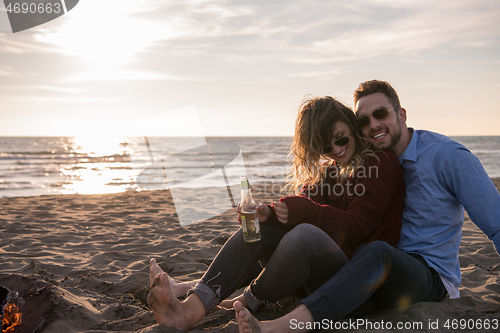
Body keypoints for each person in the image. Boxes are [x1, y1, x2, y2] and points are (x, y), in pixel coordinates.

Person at [234, 80, 500, 333]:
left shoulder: (447, 156)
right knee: (285, 235)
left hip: (426, 275)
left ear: (402, 114)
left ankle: (284, 326)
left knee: (377, 252)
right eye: (363, 120)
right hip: (368, 274)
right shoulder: (367, 164)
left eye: (381, 113)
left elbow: (496, 223)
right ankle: (209, 294)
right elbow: (313, 201)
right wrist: (270, 210)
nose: (373, 125)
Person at [146, 96, 405, 331]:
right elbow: (303, 207)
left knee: (304, 235)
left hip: (356, 288)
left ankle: (243, 300)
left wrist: (303, 211)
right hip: (316, 280)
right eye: (325, 147)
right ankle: (189, 310)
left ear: (351, 127)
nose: (336, 150)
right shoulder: (329, 171)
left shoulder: (379, 163)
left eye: (341, 138)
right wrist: (267, 213)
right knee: (259, 231)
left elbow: (358, 225)